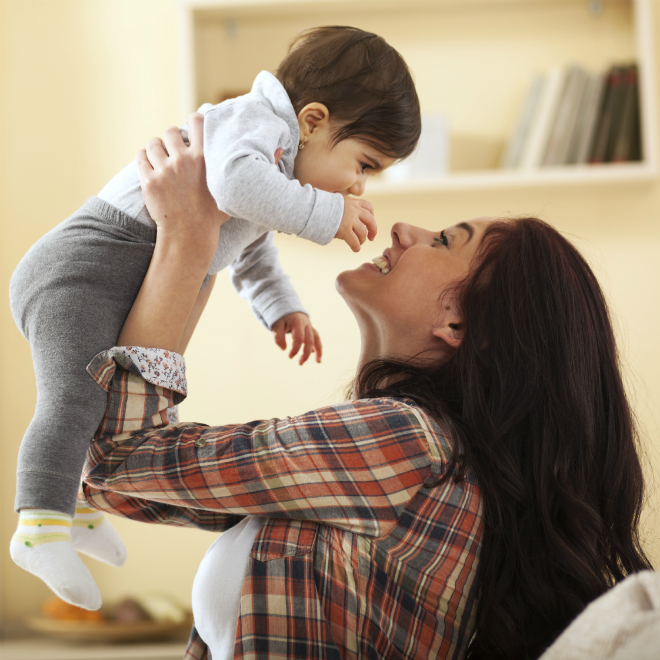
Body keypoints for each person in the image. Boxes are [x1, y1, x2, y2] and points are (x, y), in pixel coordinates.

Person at [80, 116, 652, 660]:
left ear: (457, 323)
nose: (406, 229)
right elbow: (127, 487)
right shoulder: (416, 457)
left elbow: (115, 463)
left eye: (445, 241)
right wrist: (200, 246)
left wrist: (185, 243)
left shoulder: (409, 444)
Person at [9, 25, 421, 610]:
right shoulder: (253, 125)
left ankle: (71, 507)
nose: (358, 185)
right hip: (80, 267)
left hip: (110, 274)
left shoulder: (270, 171)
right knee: (73, 398)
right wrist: (327, 212)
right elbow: (233, 184)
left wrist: (283, 309)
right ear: (312, 121)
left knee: (96, 400)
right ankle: (39, 524)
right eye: (364, 164)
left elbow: (250, 252)